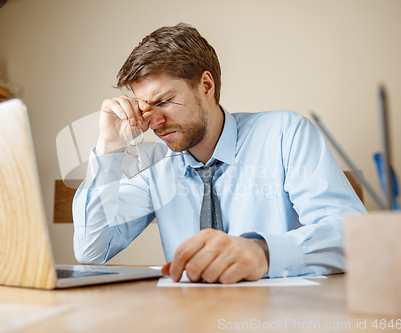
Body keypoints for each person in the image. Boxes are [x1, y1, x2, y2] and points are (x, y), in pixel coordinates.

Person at [72, 23, 366, 284]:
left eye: (165, 101)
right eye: (145, 108)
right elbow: (91, 250)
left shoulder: (285, 134)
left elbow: (352, 236)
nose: (154, 122)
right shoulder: (155, 166)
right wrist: (109, 148)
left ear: (206, 86)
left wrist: (263, 251)